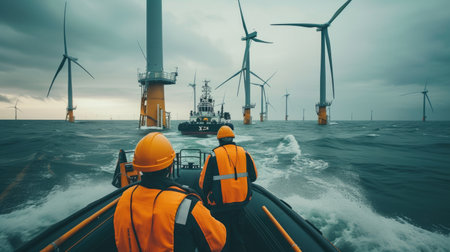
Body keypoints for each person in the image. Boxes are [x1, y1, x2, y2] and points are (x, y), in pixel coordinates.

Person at [114, 132, 226, 252]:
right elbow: (217, 242)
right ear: (171, 166)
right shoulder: (187, 205)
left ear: (138, 167)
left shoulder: (125, 198)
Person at [198, 126, 258, 251]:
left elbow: (204, 183)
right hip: (241, 203)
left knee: (222, 240)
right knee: (238, 238)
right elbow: (253, 176)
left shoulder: (214, 155)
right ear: (232, 138)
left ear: (219, 140)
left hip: (220, 206)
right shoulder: (244, 152)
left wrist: (208, 195)